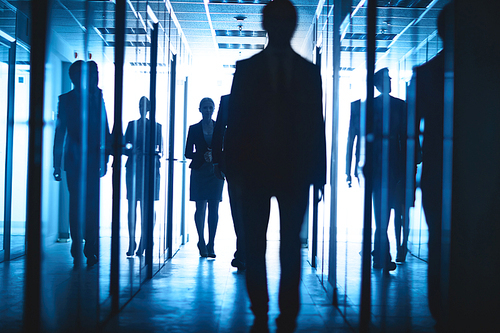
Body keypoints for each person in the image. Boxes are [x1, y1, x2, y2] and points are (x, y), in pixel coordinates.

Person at [223, 0, 327, 331]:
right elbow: (235, 123)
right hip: (255, 172)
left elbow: (317, 126)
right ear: (267, 25)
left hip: (293, 173)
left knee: (289, 244)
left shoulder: (310, 73)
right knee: (256, 242)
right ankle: (261, 308)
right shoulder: (247, 69)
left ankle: (286, 312)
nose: (281, 28)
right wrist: (233, 171)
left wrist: (319, 175)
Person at [411, 3, 452, 326]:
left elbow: (415, 135)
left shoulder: (425, 75)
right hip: (457, 174)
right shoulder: (487, 75)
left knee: (439, 241)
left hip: (435, 173)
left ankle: (440, 306)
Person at [53, 60, 111, 267]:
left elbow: (104, 126)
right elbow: (60, 131)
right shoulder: (66, 99)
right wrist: (56, 163)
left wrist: (106, 157)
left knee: (91, 203)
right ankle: (79, 242)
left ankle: (89, 245)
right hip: (74, 158)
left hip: (92, 158)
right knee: (77, 204)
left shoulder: (97, 96)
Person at [369, 68, 407, 272]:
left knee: (382, 214)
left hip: (384, 165)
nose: (391, 81)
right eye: (387, 79)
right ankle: (383, 254)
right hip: (391, 165)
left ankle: (380, 254)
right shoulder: (400, 106)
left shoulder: (372, 106)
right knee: (385, 214)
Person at [185, 97, 225, 258]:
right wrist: (202, 155)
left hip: (215, 171)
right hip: (199, 171)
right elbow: (187, 153)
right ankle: (201, 240)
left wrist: (215, 156)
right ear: (200, 109)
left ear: (214, 109)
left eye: (210, 107)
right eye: (205, 108)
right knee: (200, 207)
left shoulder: (220, 128)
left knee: (214, 207)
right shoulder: (194, 129)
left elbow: (226, 149)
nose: (208, 110)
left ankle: (211, 243)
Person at [123, 96, 163, 257]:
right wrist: (133, 151)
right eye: (140, 105)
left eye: (145, 105)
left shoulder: (156, 127)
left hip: (149, 169)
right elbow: (124, 146)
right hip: (133, 168)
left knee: (147, 206)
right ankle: (133, 240)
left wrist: (147, 154)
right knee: (132, 205)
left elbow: (159, 148)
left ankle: (144, 240)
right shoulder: (131, 125)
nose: (142, 108)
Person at [212, 94, 246, 271]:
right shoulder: (263, 96)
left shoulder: (227, 100)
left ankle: (243, 252)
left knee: (238, 210)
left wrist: (217, 162)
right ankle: (244, 251)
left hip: (234, 163)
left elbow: (219, 131)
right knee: (248, 210)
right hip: (249, 164)